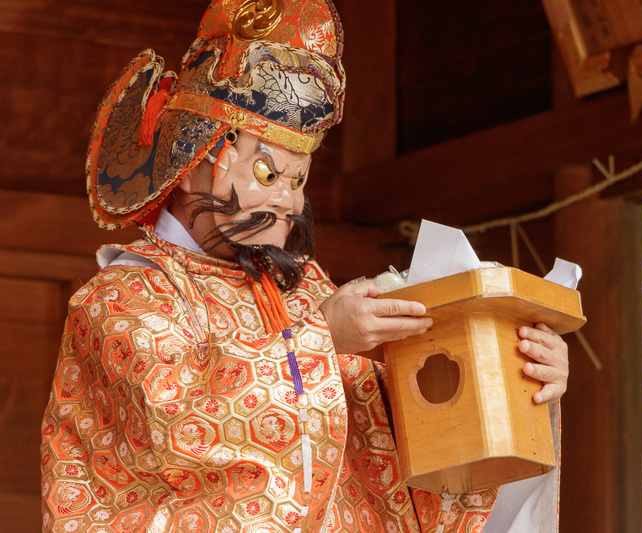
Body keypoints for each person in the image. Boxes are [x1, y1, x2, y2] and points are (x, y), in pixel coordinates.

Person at [40, 1, 569, 531]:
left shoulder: (305, 290)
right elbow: (176, 425)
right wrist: (320, 338)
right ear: (192, 160)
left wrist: (514, 374)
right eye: (267, 173)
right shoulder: (121, 297)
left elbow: (402, 455)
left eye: (299, 180)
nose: (290, 203)